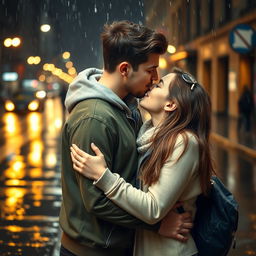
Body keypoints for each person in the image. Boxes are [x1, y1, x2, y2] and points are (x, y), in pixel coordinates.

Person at [59, 21, 192, 256]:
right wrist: (157, 224)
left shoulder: (127, 107)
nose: (155, 78)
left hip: (116, 245)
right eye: (150, 70)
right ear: (124, 69)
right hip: (92, 250)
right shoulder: (95, 118)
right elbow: (96, 201)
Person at [70, 68, 215, 256]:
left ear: (171, 104)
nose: (153, 84)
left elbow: (152, 208)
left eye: (160, 85)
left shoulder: (184, 142)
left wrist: (103, 176)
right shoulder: (149, 138)